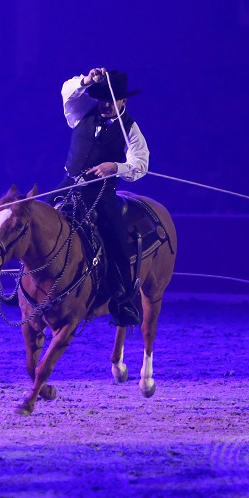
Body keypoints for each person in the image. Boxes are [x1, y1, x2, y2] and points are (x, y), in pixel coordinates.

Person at [60, 67, 149, 327]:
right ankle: (22, 282)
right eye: (103, 99)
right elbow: (67, 91)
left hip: (101, 190)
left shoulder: (130, 129)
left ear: (124, 100)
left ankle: (122, 299)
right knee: (36, 218)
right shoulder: (81, 112)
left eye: (112, 100)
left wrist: (115, 167)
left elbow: (140, 163)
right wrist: (87, 80)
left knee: (115, 237)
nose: (106, 105)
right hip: (70, 182)